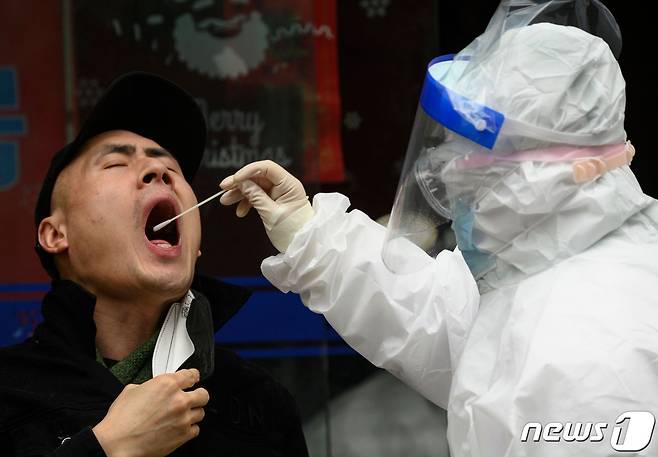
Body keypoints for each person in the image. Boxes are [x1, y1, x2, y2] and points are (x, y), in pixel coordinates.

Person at [219, 1, 658, 456]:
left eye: (472, 160)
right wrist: (311, 234)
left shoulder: (593, 356)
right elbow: (448, 325)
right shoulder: (551, 271)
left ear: (554, 172)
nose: (449, 177)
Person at [0, 72, 308, 457]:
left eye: (171, 170)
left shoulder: (260, 406)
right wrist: (106, 449)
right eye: (115, 163)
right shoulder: (9, 391)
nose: (158, 171)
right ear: (55, 235)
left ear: (195, 248)